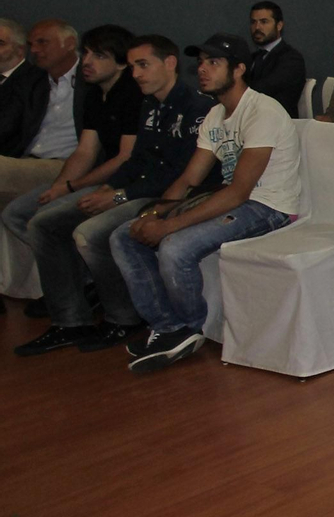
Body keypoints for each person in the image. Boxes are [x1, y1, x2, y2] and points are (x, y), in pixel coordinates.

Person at [112, 34, 301, 373]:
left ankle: (188, 326)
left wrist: (167, 225)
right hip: (233, 201)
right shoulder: (216, 115)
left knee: (175, 247)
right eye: (200, 63)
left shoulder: (263, 111)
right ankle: (168, 326)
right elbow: (189, 180)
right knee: (124, 235)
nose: (202, 70)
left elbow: (240, 192)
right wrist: (154, 213)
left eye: (213, 63)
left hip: (270, 208)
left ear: (239, 69)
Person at [5, 25, 142, 354]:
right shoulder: (97, 92)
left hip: (126, 182)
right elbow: (85, 150)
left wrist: (73, 187)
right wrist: (58, 188)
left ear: (122, 62)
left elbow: (126, 158)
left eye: (99, 55)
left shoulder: (132, 93)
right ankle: (79, 287)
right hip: (100, 177)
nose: (87, 62)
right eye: (88, 53)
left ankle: (71, 318)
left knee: (46, 222)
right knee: (19, 212)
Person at [0, 19, 86, 215]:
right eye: (32, 45)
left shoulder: (88, 82)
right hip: (25, 159)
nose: (35, 50)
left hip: (64, 165)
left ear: (70, 43)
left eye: (43, 42)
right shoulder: (34, 81)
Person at [244, 1, 307, 117]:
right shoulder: (252, 58)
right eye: (253, 22)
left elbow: (262, 90)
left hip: (276, 125)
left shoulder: (291, 59)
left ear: (279, 25)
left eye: (264, 22)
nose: (257, 27)